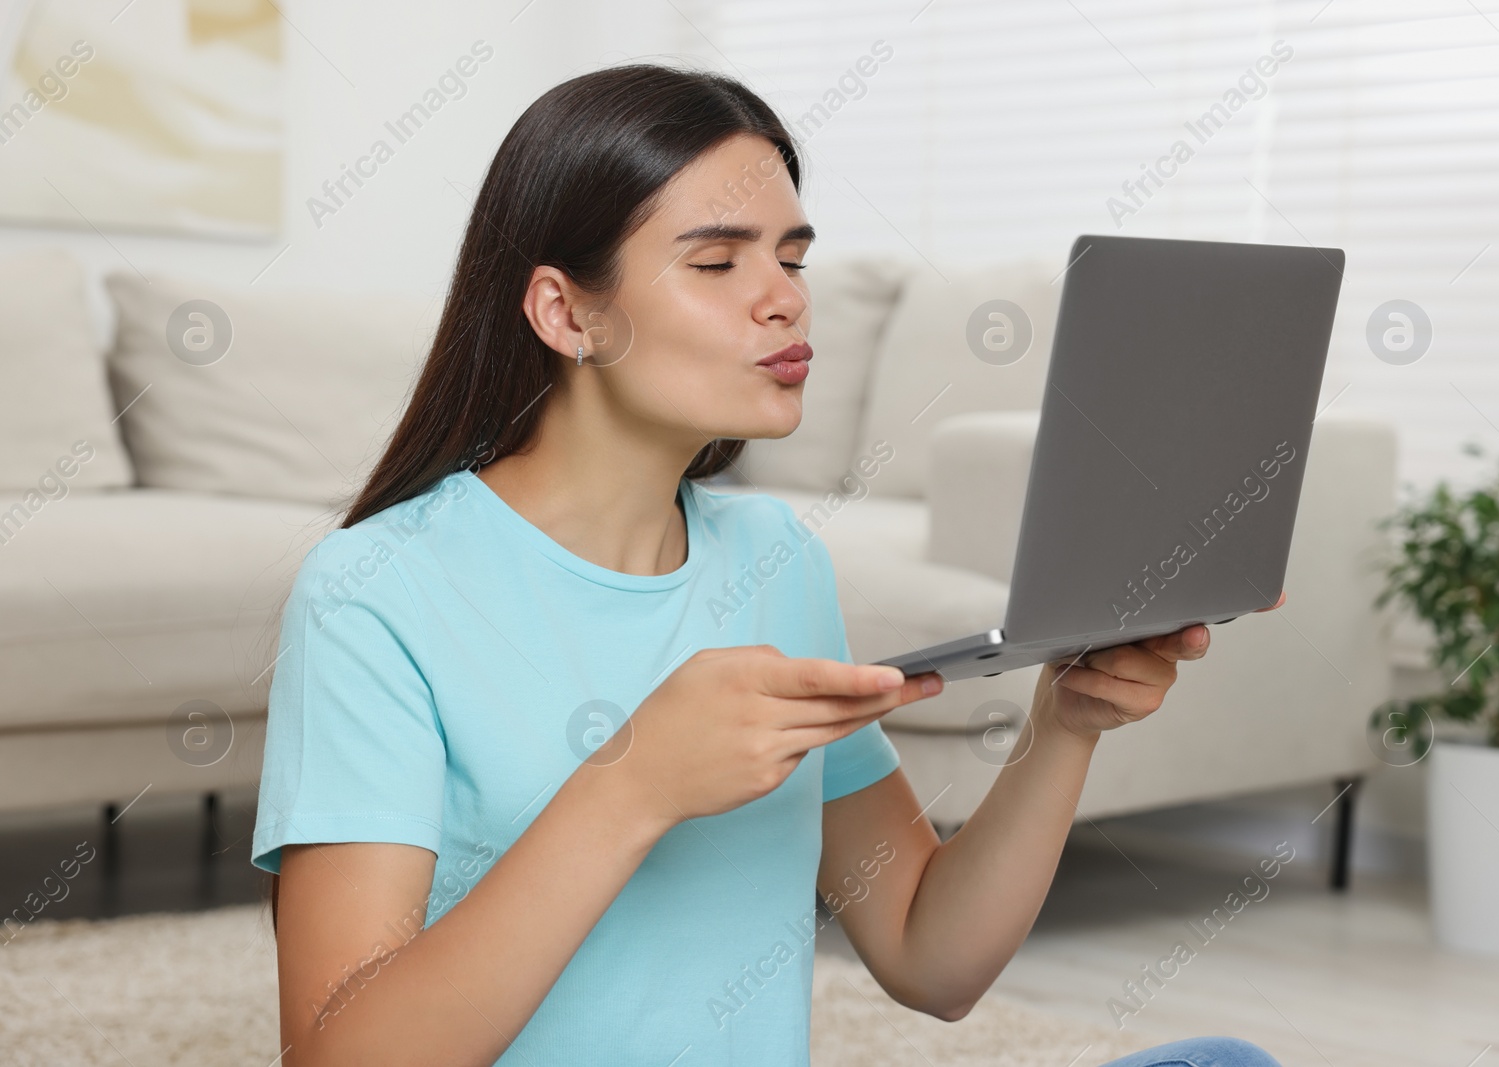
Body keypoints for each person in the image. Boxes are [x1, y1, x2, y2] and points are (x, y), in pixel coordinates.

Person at [252, 62, 1284, 1067]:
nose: (783, 299)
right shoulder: (375, 592)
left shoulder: (772, 559)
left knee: (1223, 1060)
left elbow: (931, 957)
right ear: (565, 312)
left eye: (790, 257)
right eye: (716, 262)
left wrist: (1064, 722)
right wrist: (632, 783)